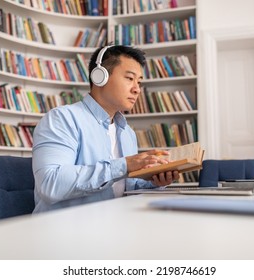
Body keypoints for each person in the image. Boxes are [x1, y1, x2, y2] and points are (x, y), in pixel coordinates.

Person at [32, 45, 179, 213]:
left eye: (139, 82)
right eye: (130, 78)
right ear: (99, 76)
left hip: (114, 226)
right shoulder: (62, 119)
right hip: (66, 230)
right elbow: (51, 183)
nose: (137, 89)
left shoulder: (127, 133)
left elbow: (126, 185)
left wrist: (154, 182)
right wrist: (124, 165)